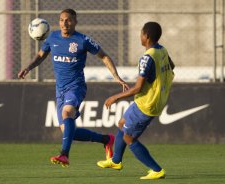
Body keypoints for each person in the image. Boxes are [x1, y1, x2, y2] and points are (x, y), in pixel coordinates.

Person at [18, 8, 129, 167]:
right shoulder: (52, 37)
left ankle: (64, 154)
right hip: (60, 90)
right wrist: (28, 68)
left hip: (76, 87)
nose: (65, 23)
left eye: (68, 20)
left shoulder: (82, 40)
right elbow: (40, 56)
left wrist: (116, 77)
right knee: (68, 131)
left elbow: (104, 56)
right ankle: (106, 140)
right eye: (62, 20)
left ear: (75, 22)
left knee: (67, 112)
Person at [97, 22, 175, 180]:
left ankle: (156, 170)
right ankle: (115, 161)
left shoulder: (147, 58)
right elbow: (171, 66)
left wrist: (115, 97)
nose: (140, 36)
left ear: (146, 36)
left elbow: (138, 88)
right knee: (121, 123)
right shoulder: (162, 50)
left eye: (141, 34)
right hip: (147, 100)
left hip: (147, 103)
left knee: (129, 138)